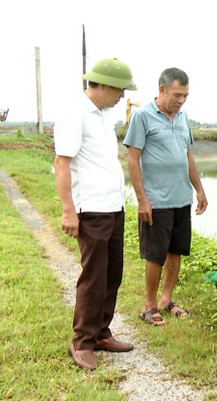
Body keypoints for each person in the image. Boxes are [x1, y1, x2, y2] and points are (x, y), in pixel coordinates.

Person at [53, 57, 137, 370]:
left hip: (113, 207)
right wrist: (68, 212)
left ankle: (101, 332)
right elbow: (62, 164)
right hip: (91, 210)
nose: (121, 96)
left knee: (112, 274)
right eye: (118, 90)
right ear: (100, 85)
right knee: (93, 277)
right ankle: (82, 342)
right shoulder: (76, 114)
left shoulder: (104, 115)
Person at [124, 67, 207, 326]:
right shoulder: (143, 116)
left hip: (181, 198)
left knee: (175, 251)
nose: (181, 100)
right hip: (156, 200)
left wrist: (199, 189)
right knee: (155, 254)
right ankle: (149, 305)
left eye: (185, 95)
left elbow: (187, 156)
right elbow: (132, 158)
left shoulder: (182, 118)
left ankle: (166, 299)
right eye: (177, 95)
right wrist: (142, 199)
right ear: (162, 89)